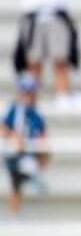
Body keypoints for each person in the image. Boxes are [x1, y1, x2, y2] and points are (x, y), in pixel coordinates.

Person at [3, 75, 49, 215]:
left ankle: (32, 173)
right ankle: (15, 211)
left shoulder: (37, 114)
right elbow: (4, 128)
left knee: (24, 172)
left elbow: (42, 135)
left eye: (30, 93)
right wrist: (13, 137)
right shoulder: (15, 110)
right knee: (16, 181)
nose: (28, 96)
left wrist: (43, 155)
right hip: (14, 154)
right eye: (25, 92)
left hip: (30, 154)